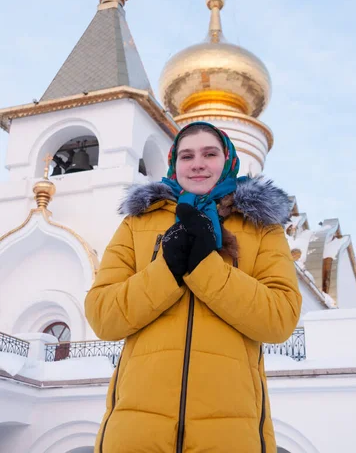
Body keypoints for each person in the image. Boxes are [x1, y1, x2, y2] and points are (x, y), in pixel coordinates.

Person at [85, 121, 302, 453]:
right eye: (187, 155)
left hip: (230, 436)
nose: (197, 163)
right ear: (175, 164)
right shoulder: (138, 223)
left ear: (228, 160)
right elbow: (103, 316)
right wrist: (168, 270)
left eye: (209, 153)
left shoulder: (261, 228)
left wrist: (205, 267)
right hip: (135, 434)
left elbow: (279, 319)